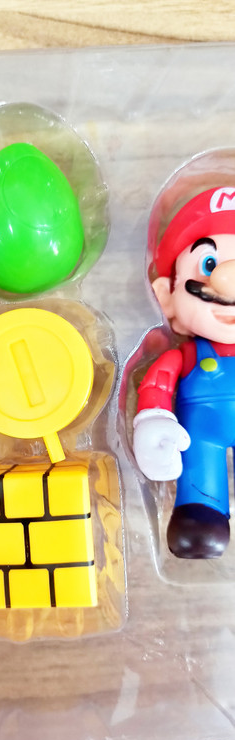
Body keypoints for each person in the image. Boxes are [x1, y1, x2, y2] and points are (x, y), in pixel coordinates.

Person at [133, 186, 235, 558]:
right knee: (199, 486)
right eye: (208, 265)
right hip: (198, 438)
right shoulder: (185, 356)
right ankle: (202, 516)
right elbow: (157, 386)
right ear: (167, 297)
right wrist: (153, 422)